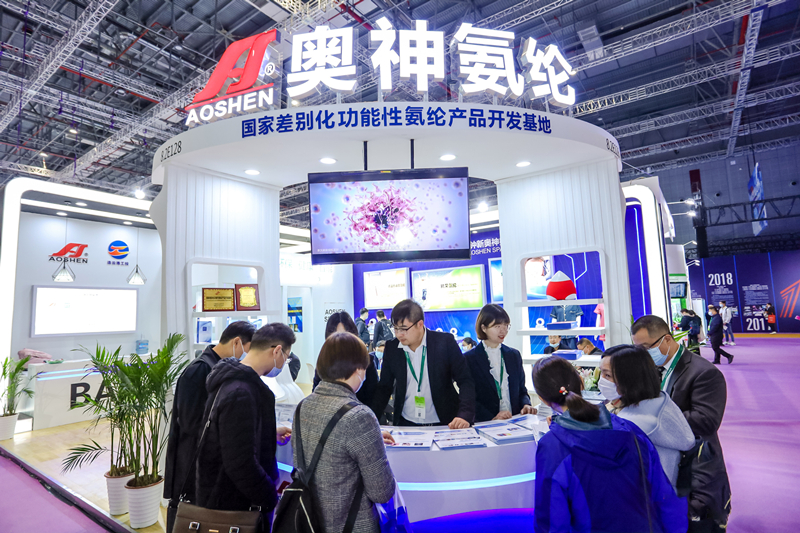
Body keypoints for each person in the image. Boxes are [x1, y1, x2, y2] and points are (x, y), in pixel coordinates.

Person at [532, 356, 687, 533]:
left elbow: (552, 520)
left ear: (542, 399)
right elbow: (665, 497)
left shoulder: (552, 446)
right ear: (581, 382)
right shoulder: (630, 430)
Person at [631, 315, 732, 532]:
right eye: (637, 349)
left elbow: (706, 421)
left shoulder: (703, 372)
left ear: (667, 339)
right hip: (663, 469)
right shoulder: (650, 370)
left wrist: (653, 416)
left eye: (646, 348)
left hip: (695, 470)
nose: (643, 354)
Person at [196, 323, 296, 531]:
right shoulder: (241, 392)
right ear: (277, 351)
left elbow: (231, 437)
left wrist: (268, 433)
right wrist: (269, 496)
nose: (283, 364)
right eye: (285, 358)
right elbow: (240, 464)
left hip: (228, 498)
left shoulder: (231, 382)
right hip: (237, 506)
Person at [294, 332, 396, 533]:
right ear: (358, 370)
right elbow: (382, 491)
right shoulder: (359, 416)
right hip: (352, 524)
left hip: (309, 520)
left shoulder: (303, 405)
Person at [163, 321, 256, 533]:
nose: (247, 357)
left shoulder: (217, 367)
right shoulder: (199, 370)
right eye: (248, 350)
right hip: (191, 465)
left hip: (206, 466)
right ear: (237, 342)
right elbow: (190, 423)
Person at [599, 345, 695, 490]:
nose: (602, 381)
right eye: (601, 373)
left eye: (607, 376)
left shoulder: (633, 426)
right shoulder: (659, 402)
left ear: (630, 379)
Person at [371, 299, 476, 428]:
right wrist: (370, 419)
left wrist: (465, 414)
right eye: (395, 329)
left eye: (404, 329)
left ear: (420, 324)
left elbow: (465, 380)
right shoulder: (392, 348)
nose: (399, 334)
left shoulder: (444, 343)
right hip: (406, 424)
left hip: (445, 423)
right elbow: (384, 388)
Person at [464, 304, 536, 422]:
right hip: (487, 423)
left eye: (506, 325)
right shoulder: (469, 359)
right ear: (484, 328)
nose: (503, 330)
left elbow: (522, 390)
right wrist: (492, 417)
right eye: (497, 326)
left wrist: (526, 404)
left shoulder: (514, 355)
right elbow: (469, 398)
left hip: (515, 421)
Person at [314, 311, 379, 406]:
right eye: (336, 335)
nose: (341, 340)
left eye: (345, 335)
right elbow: (316, 395)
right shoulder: (325, 361)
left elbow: (374, 397)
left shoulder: (366, 361)